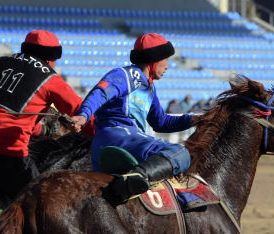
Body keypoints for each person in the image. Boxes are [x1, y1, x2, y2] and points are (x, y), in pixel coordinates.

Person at [0, 29, 91, 202]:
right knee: (39, 204)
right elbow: (81, 109)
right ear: (51, 59)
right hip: (7, 153)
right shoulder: (52, 80)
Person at [70, 33, 194, 204]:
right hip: (119, 138)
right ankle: (134, 180)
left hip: (118, 142)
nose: (167, 66)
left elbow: (161, 122)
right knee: (181, 153)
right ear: (154, 59)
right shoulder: (128, 75)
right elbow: (100, 92)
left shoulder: (149, 88)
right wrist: (84, 115)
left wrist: (194, 120)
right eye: (165, 59)